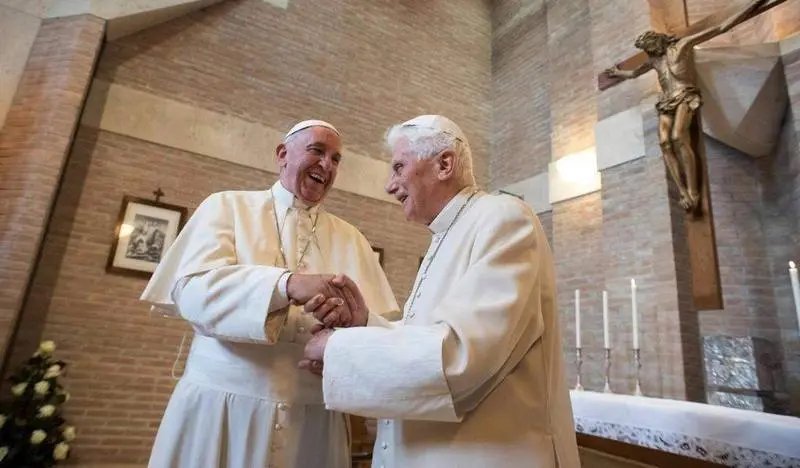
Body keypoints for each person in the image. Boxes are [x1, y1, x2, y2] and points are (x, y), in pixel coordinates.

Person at [300, 115, 581, 467]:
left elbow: (462, 356)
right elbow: (430, 338)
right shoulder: (446, 236)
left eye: (399, 167)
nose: (390, 185)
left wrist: (336, 346)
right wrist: (366, 323)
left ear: (444, 164)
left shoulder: (503, 218)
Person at [140, 120, 399, 468]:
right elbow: (192, 292)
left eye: (336, 159)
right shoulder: (226, 207)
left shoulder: (352, 239)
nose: (327, 165)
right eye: (317, 151)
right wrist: (285, 285)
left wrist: (343, 339)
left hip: (313, 421)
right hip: (221, 409)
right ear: (282, 154)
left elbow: (378, 329)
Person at [604, 0, 769, 213]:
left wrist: (753, 6)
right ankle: (682, 191)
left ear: (657, 41)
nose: (649, 52)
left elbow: (720, 27)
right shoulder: (654, 61)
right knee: (664, 143)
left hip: (684, 95)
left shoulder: (682, 45)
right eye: (646, 50)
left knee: (678, 137)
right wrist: (619, 73)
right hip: (666, 101)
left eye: (649, 47)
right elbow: (635, 72)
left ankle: (693, 191)